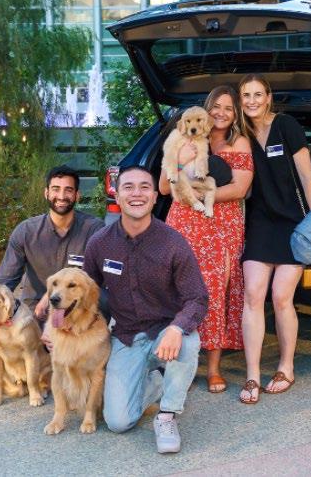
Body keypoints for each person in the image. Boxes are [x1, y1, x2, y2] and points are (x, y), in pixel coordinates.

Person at [84, 165, 208, 454]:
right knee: (118, 422)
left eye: (144, 187)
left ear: (154, 197)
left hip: (165, 333)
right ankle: (157, 381)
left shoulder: (173, 243)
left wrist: (177, 328)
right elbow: (85, 291)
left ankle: (167, 415)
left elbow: (197, 297)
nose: (136, 194)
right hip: (126, 337)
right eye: (128, 187)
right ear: (117, 195)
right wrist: (58, 324)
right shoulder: (99, 243)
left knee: (189, 340)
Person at [158, 86, 253, 394]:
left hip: (221, 224)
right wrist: (180, 163)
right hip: (184, 222)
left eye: (229, 108)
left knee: (215, 292)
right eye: (216, 106)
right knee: (178, 288)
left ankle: (213, 369)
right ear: (206, 110)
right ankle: (179, 365)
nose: (221, 113)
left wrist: (197, 196)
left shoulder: (239, 142)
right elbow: (163, 187)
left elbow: (239, 189)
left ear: (235, 114)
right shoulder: (183, 137)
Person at [237, 74, 311, 404]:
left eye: (258, 94)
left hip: (292, 224)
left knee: (281, 297)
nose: (252, 101)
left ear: (269, 97)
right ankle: (252, 374)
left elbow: (307, 177)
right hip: (259, 224)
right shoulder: (240, 134)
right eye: (246, 95)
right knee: (253, 296)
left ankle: (286, 367)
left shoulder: (286, 126)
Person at [0, 165, 104, 317]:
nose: (61, 196)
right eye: (56, 189)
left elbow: (97, 276)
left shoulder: (94, 229)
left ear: (77, 195)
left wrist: (50, 295)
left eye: (68, 190)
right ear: (46, 193)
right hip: (35, 312)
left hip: (77, 312)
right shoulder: (26, 231)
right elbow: (5, 281)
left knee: (104, 300)